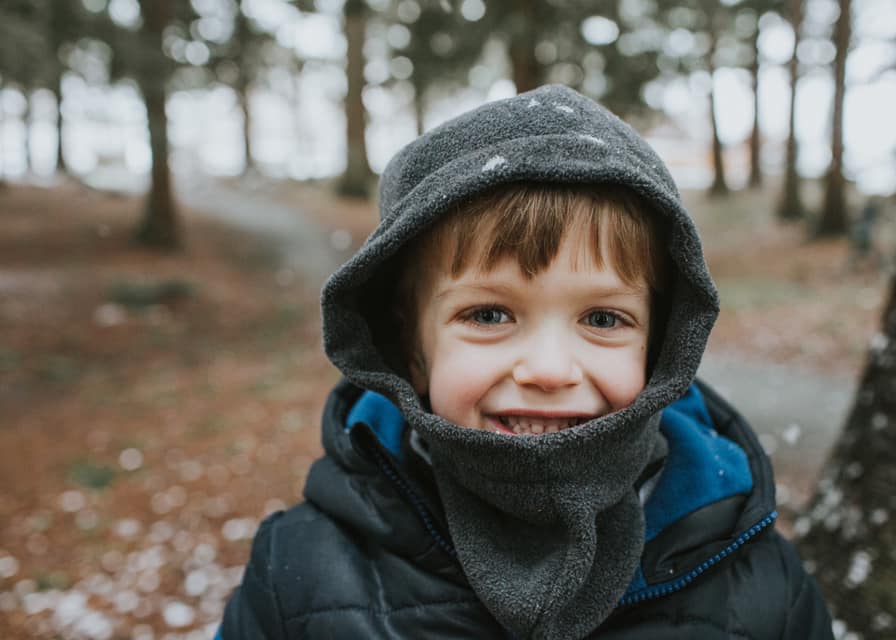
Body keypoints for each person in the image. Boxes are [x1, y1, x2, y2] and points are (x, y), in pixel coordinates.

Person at [217, 85, 833, 639]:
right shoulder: (299, 573)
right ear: (411, 350)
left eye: (602, 319)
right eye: (489, 315)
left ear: (661, 347)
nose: (548, 370)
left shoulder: (757, 583)